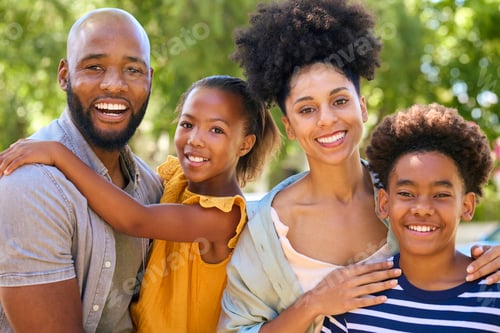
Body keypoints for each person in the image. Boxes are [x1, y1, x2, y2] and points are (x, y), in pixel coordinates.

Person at [217, 1, 500, 332]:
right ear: (289, 126)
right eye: (307, 110)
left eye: (339, 101)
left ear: (362, 107)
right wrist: (315, 303)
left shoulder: (405, 194)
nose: (327, 120)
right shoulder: (267, 231)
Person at [0, 75, 281, 333]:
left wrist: (58, 153)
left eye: (216, 130)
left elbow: (135, 220)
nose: (195, 140)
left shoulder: (225, 216)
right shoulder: (174, 181)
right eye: (187, 124)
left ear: (245, 144)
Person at [0, 8, 163, 333]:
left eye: (132, 69)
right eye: (94, 67)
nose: (115, 85)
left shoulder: (151, 186)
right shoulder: (31, 185)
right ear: (64, 75)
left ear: (149, 80)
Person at [323, 103, 500, 332]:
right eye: (406, 194)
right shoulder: (355, 300)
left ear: (466, 206)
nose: (422, 208)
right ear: (384, 203)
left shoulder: (493, 296)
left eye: (441, 194)